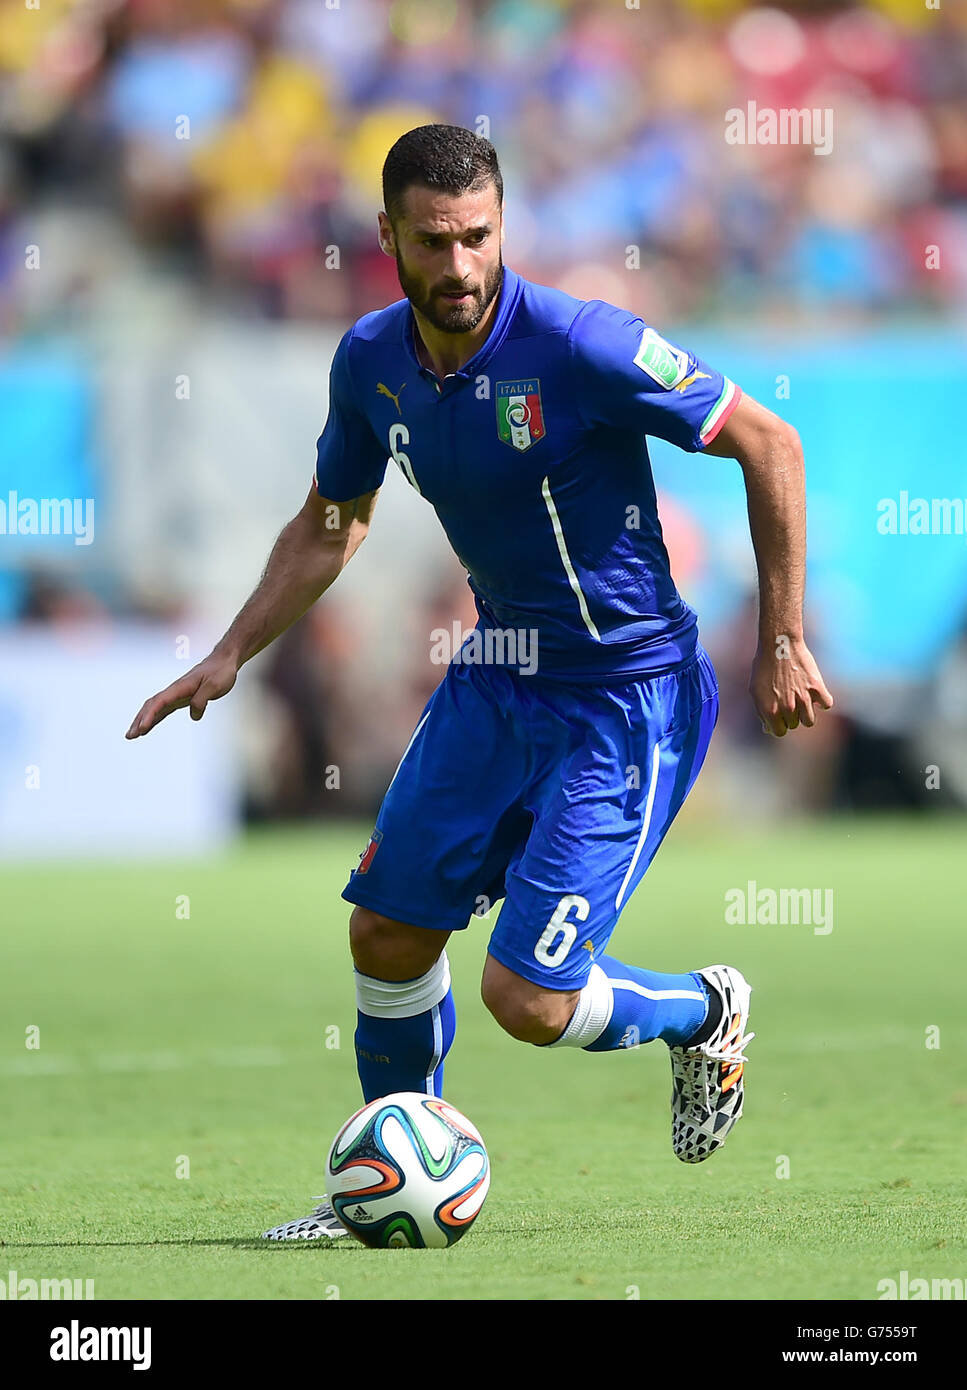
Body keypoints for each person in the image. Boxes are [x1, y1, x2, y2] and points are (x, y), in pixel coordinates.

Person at [126, 125, 833, 1241]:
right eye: (432, 242)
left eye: (477, 239)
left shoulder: (581, 345)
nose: (458, 266)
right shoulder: (368, 361)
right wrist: (227, 652)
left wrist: (782, 637)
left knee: (529, 1001)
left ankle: (703, 1007)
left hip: (625, 695)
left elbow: (769, 442)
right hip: (496, 678)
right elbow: (332, 521)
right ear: (387, 238)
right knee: (387, 937)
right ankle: (381, 1179)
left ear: (502, 227)